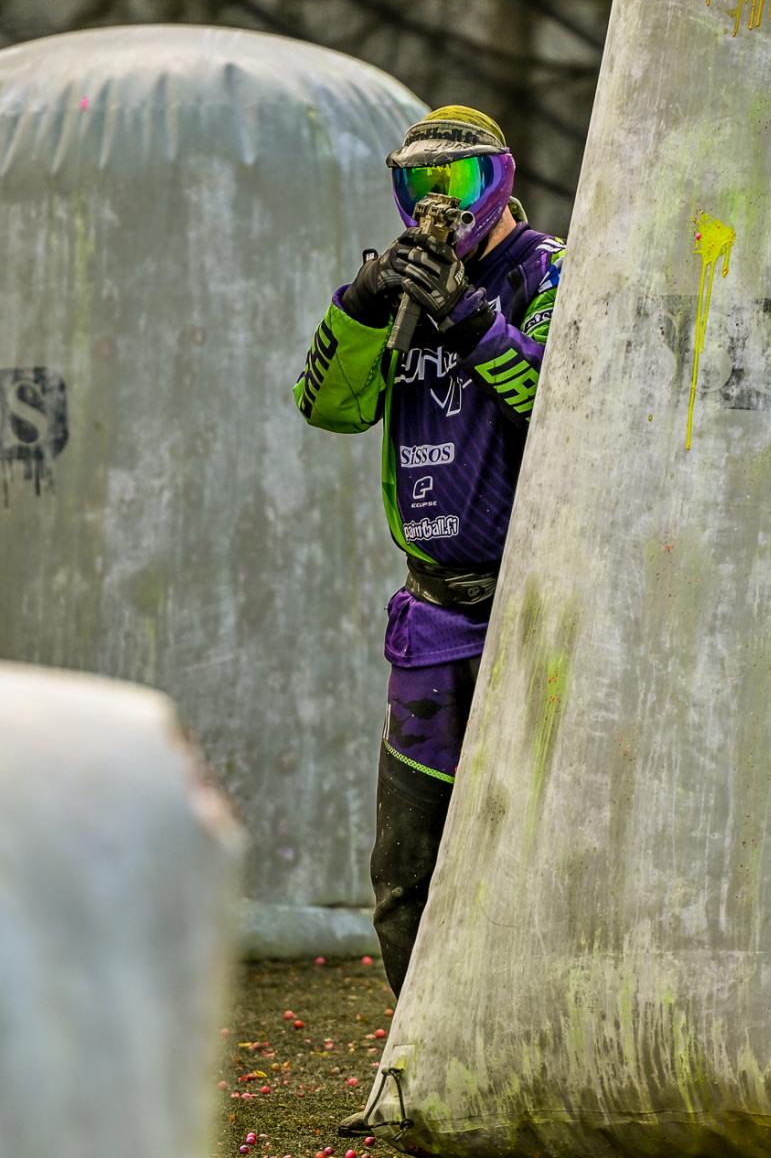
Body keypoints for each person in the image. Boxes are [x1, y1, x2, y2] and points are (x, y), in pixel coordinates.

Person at [293, 106, 565, 1130]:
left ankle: (547, 1074)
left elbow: (567, 408)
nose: (438, 204)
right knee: (406, 873)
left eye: (459, 181)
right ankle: (433, 1079)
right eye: (419, 184)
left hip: (536, 616)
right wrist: (365, 306)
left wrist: (473, 319)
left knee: (539, 860)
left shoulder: (551, 274)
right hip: (433, 618)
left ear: (501, 179)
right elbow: (327, 405)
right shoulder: (403, 288)